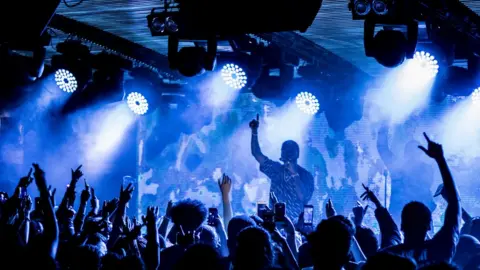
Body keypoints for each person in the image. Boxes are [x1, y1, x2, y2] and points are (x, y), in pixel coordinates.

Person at [382, 133, 461, 267]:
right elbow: (455, 203)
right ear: (429, 225)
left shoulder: (386, 258)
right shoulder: (440, 249)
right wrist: (440, 159)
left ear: (401, 226)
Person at [249, 114, 314, 220]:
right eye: (285, 150)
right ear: (282, 154)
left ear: (297, 154)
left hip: (296, 223)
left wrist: (295, 175)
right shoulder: (277, 169)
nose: (288, 153)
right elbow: (257, 154)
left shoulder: (306, 175)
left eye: (290, 151)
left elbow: (303, 197)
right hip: (275, 220)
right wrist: (254, 131)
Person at [377, 126, 436, 222]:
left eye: (416, 150)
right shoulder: (397, 167)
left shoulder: (427, 169)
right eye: (411, 150)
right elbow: (382, 149)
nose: (413, 153)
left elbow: (426, 186)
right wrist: (383, 126)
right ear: (406, 153)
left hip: (421, 215)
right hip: (400, 215)